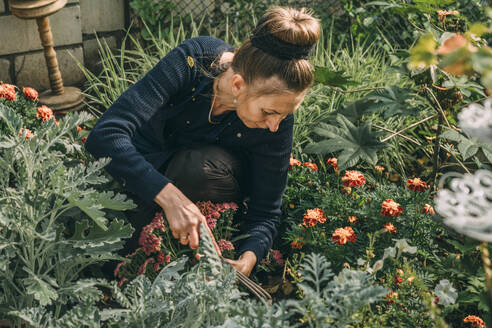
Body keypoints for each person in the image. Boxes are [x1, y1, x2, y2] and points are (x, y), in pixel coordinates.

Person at [85, 6, 321, 277]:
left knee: (196, 168)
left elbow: (266, 211)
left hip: (209, 180)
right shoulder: (194, 60)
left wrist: (249, 257)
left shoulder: (277, 121)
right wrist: (171, 199)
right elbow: (106, 134)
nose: (274, 125)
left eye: (284, 115)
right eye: (268, 112)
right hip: (148, 173)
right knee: (101, 260)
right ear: (237, 86)